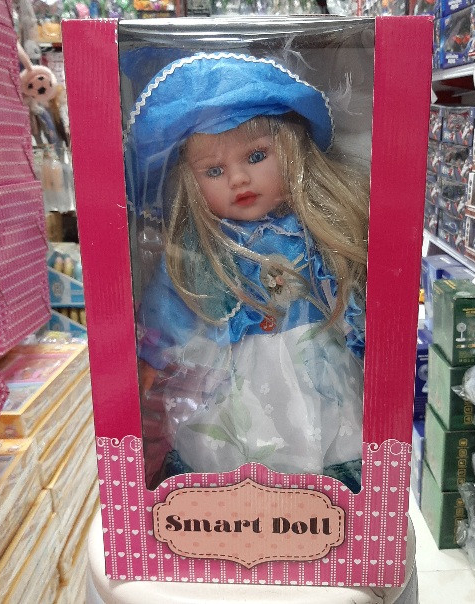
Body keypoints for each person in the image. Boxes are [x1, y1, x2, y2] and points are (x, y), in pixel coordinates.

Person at [124, 52, 369, 492]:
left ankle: (323, 508)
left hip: (316, 356)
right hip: (235, 367)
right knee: (238, 441)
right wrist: (151, 359)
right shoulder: (203, 247)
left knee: (326, 432)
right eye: (214, 171)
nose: (238, 179)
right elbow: (170, 304)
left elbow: (348, 292)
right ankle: (245, 513)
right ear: (191, 182)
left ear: (291, 150)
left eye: (256, 156)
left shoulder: (315, 230)